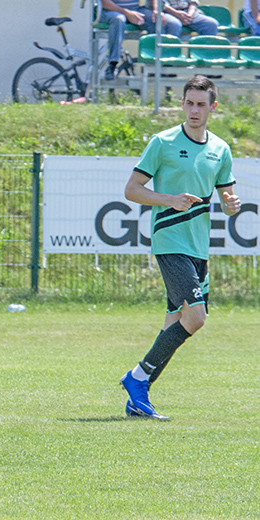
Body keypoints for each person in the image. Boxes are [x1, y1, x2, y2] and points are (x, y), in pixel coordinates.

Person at [121, 76, 240, 420]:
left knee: (174, 321)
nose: (194, 110)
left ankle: (138, 397)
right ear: (182, 104)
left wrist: (231, 205)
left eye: (201, 104)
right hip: (169, 240)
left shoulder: (220, 149)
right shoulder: (163, 142)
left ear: (212, 107)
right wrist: (169, 199)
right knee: (196, 318)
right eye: (189, 103)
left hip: (198, 246)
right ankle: (137, 377)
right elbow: (132, 189)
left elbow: (227, 198)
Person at [100, 0, 179, 80]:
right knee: (119, 20)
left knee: (157, 20)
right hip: (110, 11)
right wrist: (127, 13)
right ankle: (112, 64)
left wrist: (156, 10)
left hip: (136, 10)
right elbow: (105, 3)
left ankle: (157, 65)